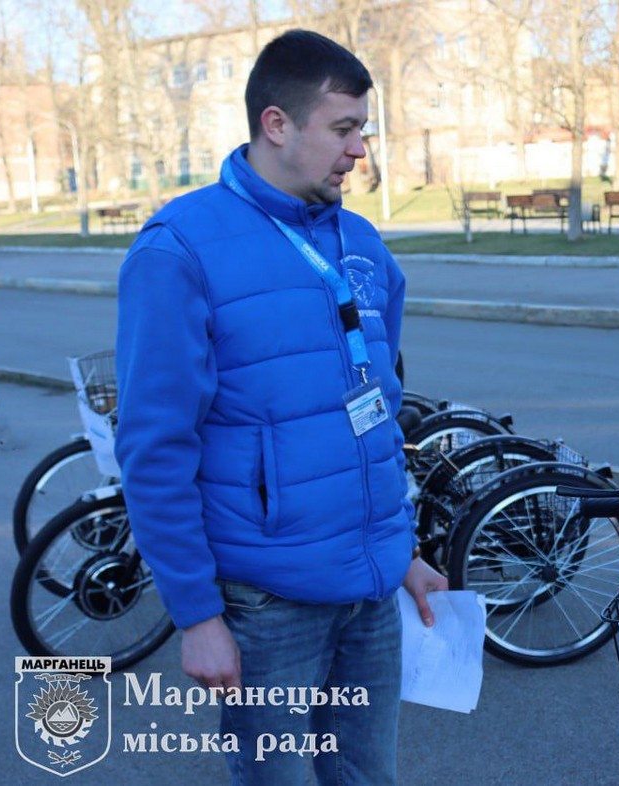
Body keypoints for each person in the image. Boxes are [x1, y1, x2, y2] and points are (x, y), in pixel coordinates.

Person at [115, 29, 446, 785]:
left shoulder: (360, 244)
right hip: (267, 607)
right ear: (276, 124)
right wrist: (198, 617)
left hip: (368, 595)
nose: (359, 149)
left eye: (362, 128)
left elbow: (375, 418)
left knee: (367, 779)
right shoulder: (179, 251)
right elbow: (155, 449)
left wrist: (404, 554)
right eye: (343, 128)